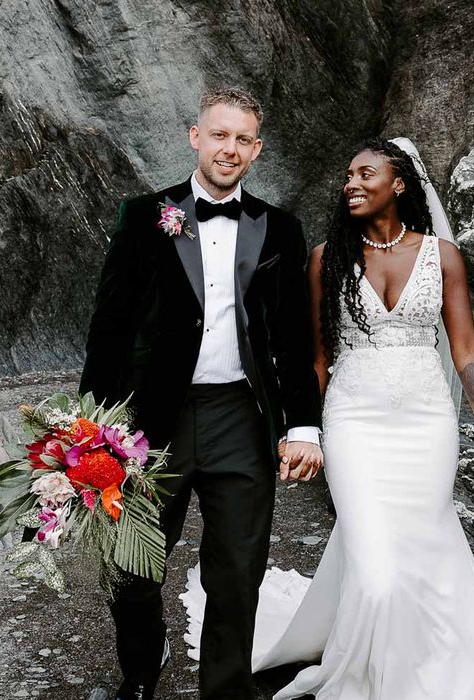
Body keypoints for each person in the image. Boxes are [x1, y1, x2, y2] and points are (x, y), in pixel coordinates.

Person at [182, 137, 474, 699]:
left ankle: (435, 669)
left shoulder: (442, 257)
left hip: (427, 423)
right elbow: (315, 358)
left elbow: (467, 350)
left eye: (366, 174)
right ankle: (369, 672)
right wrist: (297, 430)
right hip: (354, 422)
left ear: (400, 184)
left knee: (425, 546)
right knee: (378, 568)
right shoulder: (325, 258)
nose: (351, 184)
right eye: (348, 176)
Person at [79, 86, 323, 700]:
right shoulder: (143, 217)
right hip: (148, 421)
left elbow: (294, 338)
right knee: (134, 566)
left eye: (243, 139)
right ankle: (141, 667)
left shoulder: (279, 229)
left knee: (238, 572)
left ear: (257, 150)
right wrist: (86, 428)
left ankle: (226, 690)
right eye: (219, 135)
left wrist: (304, 425)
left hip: (241, 415)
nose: (229, 148)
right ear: (195, 137)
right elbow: (109, 328)